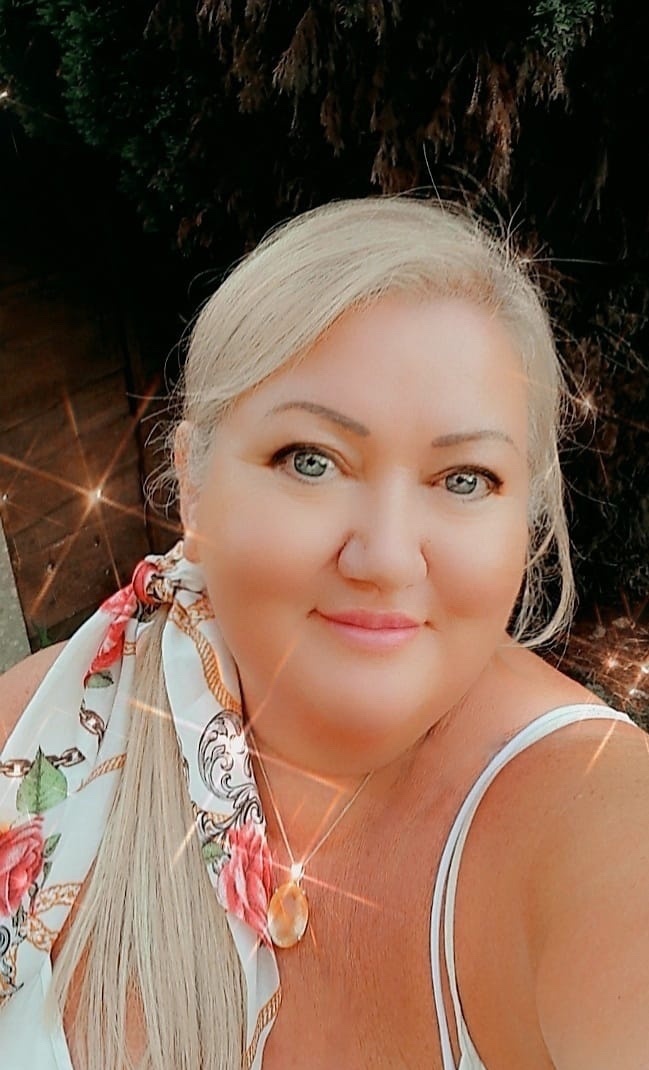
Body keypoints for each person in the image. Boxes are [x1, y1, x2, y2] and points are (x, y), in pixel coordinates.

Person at [0, 195, 647, 1070]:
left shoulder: (592, 826)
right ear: (192, 483)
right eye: (310, 461)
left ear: (523, 524)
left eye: (463, 478)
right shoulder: (46, 735)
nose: (385, 558)